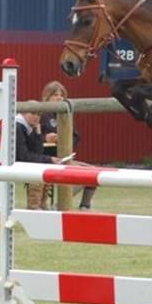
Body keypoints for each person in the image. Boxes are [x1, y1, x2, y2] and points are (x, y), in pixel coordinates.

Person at [40, 81, 95, 211]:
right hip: (47, 158)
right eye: (55, 95)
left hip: (64, 157)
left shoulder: (66, 115)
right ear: (46, 97)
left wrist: (65, 140)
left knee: (93, 171)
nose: (59, 98)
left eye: (61, 95)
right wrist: (47, 138)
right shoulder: (41, 114)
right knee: (84, 176)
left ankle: (85, 206)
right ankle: (59, 205)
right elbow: (33, 139)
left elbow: (76, 137)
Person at [15, 104, 59, 210]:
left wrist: (38, 132)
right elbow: (24, 157)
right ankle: (34, 206)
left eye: (39, 115)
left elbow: (38, 152)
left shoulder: (29, 128)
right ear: (23, 113)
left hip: (22, 162)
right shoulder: (18, 127)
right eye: (33, 113)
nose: (36, 117)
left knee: (45, 166)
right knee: (40, 169)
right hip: (14, 163)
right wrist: (49, 159)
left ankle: (42, 204)